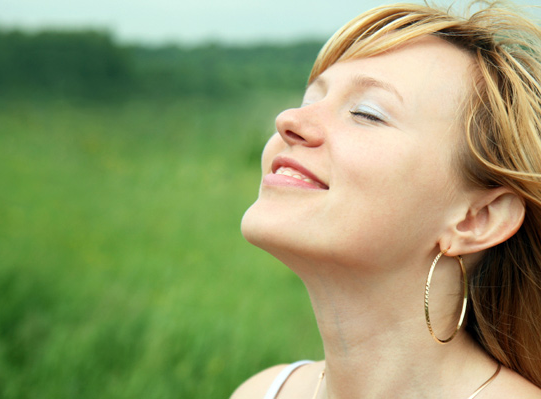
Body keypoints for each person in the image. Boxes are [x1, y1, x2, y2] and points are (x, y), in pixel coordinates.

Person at [231, 2, 541, 398]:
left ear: (478, 219)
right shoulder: (264, 392)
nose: (289, 120)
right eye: (310, 101)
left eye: (366, 113)